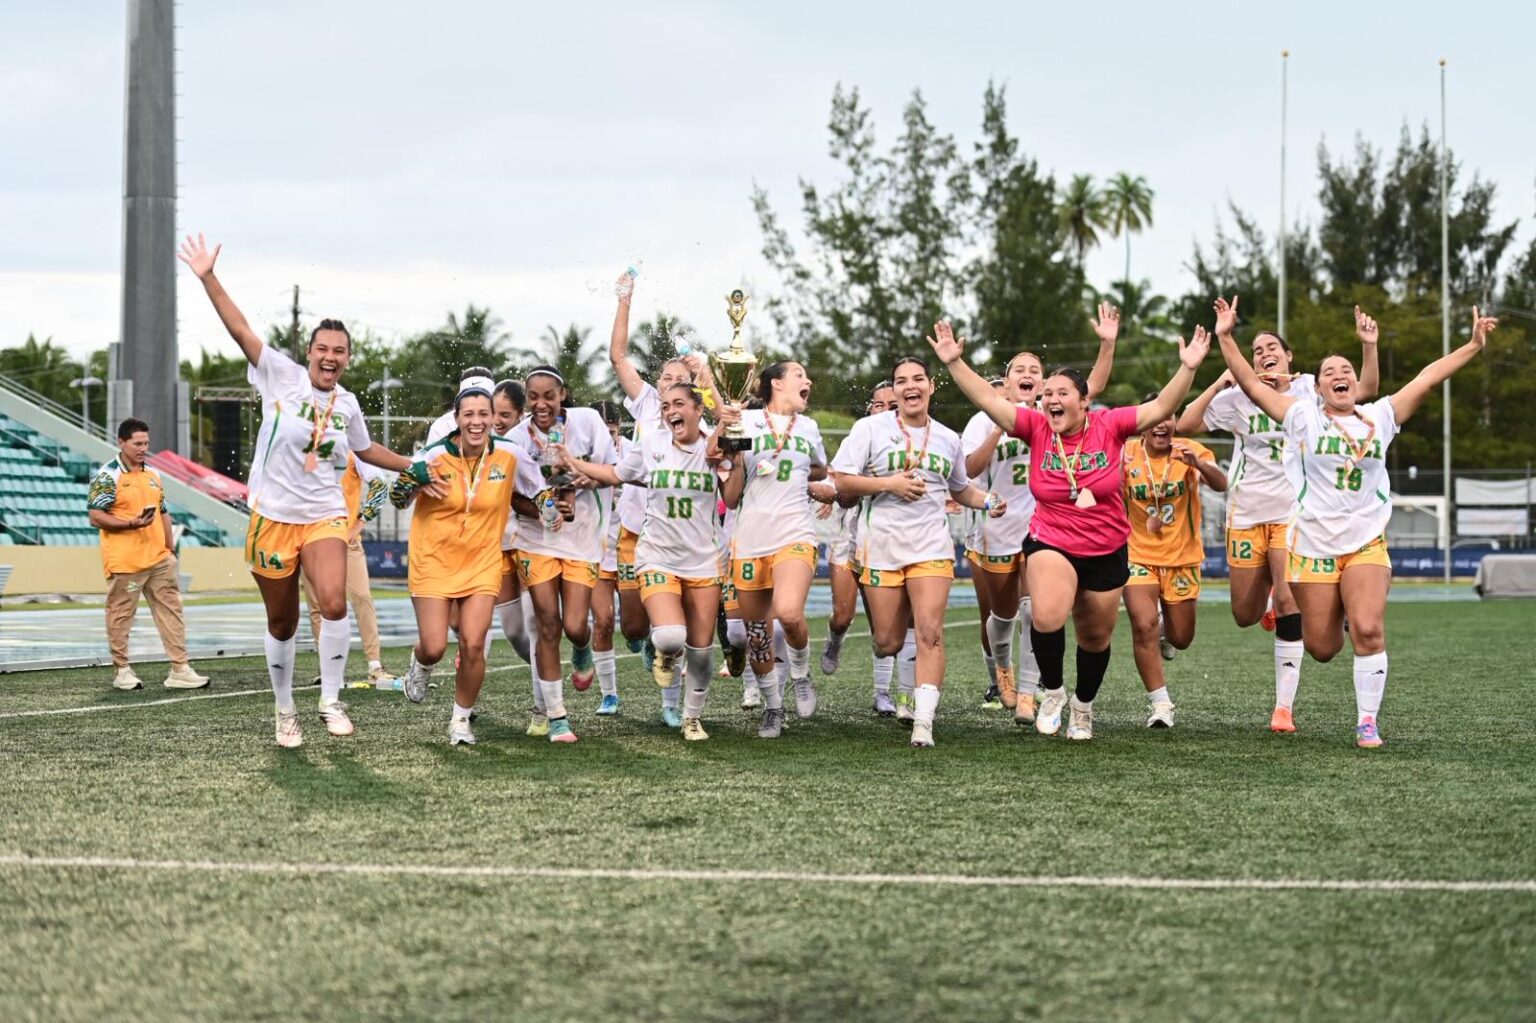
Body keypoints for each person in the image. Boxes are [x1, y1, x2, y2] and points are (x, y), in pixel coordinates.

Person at [178, 234, 427, 748]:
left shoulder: (350, 403)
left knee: (334, 602)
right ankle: (284, 709)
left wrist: (416, 466)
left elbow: (366, 450)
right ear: (309, 353)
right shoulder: (280, 376)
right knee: (283, 621)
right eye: (322, 349)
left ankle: (331, 700)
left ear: (347, 359)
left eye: (339, 352)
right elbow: (240, 327)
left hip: (325, 514)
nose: (330, 357)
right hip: (272, 516)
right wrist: (207, 277)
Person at [1214, 296, 1496, 747]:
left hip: (1366, 541)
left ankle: (1367, 720)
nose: (1340, 376)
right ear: (1317, 387)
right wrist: (1226, 336)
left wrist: (1473, 345)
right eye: (1330, 373)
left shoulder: (1380, 416)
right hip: (1313, 547)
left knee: (1368, 627)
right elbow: (1249, 383)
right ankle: (1339, 606)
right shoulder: (1302, 418)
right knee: (1323, 648)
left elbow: (1427, 378)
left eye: (1346, 371)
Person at [928, 316, 1209, 741]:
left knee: (1095, 637)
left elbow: (1160, 408)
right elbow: (990, 401)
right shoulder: (1037, 427)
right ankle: (1054, 692)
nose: (1051, 400)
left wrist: (1187, 368)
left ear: (1084, 401)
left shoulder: (1110, 425)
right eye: (1048, 394)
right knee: (1046, 613)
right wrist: (954, 363)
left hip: (1107, 547)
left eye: (1062, 393)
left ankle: (1083, 706)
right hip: (1050, 539)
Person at [1177, 307, 1379, 732]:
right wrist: (1220, 380)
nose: (1264, 353)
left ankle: (1283, 708)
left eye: (1272, 348)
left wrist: (1367, 347)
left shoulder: (1310, 389)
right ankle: (1268, 601)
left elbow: (1363, 393)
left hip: (1294, 513)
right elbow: (1187, 423)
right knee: (1244, 614)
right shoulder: (1237, 396)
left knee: (1289, 604)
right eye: (1256, 351)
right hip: (1247, 513)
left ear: (1289, 357)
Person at [830, 355, 1005, 749]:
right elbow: (841, 481)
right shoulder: (869, 429)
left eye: (918, 379)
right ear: (894, 391)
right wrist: (889, 484)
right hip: (882, 548)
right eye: (902, 381)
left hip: (931, 547)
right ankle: (891, 647)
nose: (911, 386)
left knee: (929, 634)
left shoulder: (947, 437)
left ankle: (923, 722)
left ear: (931, 386)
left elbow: (960, 488)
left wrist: (988, 499)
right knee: (888, 642)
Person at [962, 307, 1120, 720]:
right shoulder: (991, 417)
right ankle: (1002, 669)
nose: (1028, 374)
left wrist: (1107, 343)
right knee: (1002, 614)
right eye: (1020, 368)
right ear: (1009, 379)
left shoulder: (1057, 413)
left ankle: (1032, 693)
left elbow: (1094, 386)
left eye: (1036, 369)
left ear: (1045, 383)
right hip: (996, 527)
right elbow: (970, 471)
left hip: (1046, 530)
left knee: (1038, 611)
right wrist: (999, 423)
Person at [563, 384, 728, 740]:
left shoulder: (714, 448)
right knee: (670, 636)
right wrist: (572, 462)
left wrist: (736, 459)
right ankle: (665, 653)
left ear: (700, 410)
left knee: (700, 651)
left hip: (704, 559)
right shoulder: (652, 443)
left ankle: (691, 717)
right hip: (657, 555)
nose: (670, 411)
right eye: (666, 405)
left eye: (679, 404)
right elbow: (616, 474)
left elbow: (732, 495)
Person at [392, 385, 547, 745]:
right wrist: (412, 481)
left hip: (482, 562)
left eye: (484, 415)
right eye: (469, 415)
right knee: (434, 645)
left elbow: (537, 489)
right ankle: (422, 663)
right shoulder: (431, 456)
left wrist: (554, 506)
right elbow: (397, 498)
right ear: (457, 419)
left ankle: (460, 721)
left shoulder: (510, 453)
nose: (477, 422)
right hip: (433, 560)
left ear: (494, 418)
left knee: (474, 644)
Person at [607, 272, 702, 722]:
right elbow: (618, 354)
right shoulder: (645, 403)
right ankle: (646, 643)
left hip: (682, 536)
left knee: (676, 630)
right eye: (664, 377)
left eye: (679, 378)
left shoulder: (697, 419)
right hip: (634, 530)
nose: (668, 383)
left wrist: (703, 367)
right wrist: (625, 298)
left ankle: (671, 705)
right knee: (633, 627)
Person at [718, 361, 829, 739]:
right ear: (776, 383)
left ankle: (800, 672)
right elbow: (731, 499)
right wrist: (735, 462)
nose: (807, 380)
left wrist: (805, 480)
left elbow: (817, 469)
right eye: (800, 375)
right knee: (758, 637)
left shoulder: (810, 428)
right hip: (750, 539)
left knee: (790, 614)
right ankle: (773, 707)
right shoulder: (745, 423)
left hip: (795, 533)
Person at [506, 366, 617, 742]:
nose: (541, 404)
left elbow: (612, 470)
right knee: (547, 623)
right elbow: (512, 495)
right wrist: (542, 508)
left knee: (573, 625)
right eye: (533, 397)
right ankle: (556, 717)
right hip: (536, 540)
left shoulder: (587, 422)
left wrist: (582, 481)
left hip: (583, 538)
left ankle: (583, 649)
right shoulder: (516, 438)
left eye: (548, 396)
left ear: (562, 394)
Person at [1121, 405, 1226, 727]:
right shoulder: (1125, 452)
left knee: (1182, 638)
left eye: (1168, 418)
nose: (1161, 425)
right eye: (1154, 420)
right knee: (1143, 626)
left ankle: (1167, 630)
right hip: (1137, 555)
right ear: (1143, 427)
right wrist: (1114, 470)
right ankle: (1161, 703)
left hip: (1182, 558)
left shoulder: (1190, 449)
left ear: (1174, 423)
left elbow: (1221, 484)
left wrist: (1199, 466)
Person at [87, 417, 209, 691]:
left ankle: (180, 669)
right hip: (127, 564)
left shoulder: (153, 475)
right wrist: (130, 524)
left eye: (146, 443)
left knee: (172, 612)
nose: (143, 448)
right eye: (137, 443)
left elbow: (163, 513)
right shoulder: (107, 476)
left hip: (159, 561)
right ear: (121, 442)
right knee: (121, 615)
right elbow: (95, 517)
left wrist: (170, 550)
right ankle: (122, 671)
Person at [819, 382, 900, 715]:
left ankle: (883, 692)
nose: (884, 410)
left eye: (891, 404)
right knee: (843, 615)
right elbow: (841, 490)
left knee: (884, 626)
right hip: (848, 539)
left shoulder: (911, 443)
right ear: (870, 410)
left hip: (884, 541)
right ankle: (834, 641)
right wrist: (865, 483)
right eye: (878, 404)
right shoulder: (860, 436)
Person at [301, 453, 396, 687]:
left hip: (347, 542)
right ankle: (329, 670)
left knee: (362, 598)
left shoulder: (353, 453)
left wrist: (360, 522)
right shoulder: (304, 451)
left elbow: (381, 485)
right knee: (317, 605)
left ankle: (374, 666)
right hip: (310, 539)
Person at [589, 399, 626, 715]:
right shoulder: (584, 455)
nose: (606, 439)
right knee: (601, 621)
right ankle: (609, 695)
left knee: (635, 626)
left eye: (611, 432)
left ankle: (641, 639)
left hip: (633, 550)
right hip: (598, 550)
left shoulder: (635, 451)